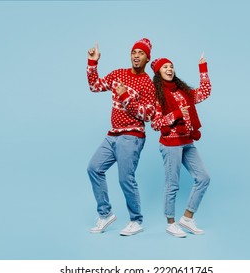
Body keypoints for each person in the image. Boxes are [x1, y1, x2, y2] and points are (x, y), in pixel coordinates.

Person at [86, 38, 155, 236]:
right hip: (113, 135)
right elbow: (95, 86)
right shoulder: (118, 74)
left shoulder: (148, 84)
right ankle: (105, 214)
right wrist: (93, 62)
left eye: (141, 53)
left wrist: (125, 97)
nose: (136, 55)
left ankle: (136, 220)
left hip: (132, 136)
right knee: (94, 168)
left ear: (147, 58)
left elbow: (148, 116)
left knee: (125, 178)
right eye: (134, 51)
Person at [150, 54, 212, 238]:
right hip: (171, 144)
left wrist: (202, 68)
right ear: (158, 72)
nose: (169, 69)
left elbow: (205, 91)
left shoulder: (183, 90)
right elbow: (155, 123)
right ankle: (170, 223)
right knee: (172, 184)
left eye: (171, 66)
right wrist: (176, 113)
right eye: (165, 67)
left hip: (187, 141)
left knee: (203, 178)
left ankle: (187, 218)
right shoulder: (157, 95)